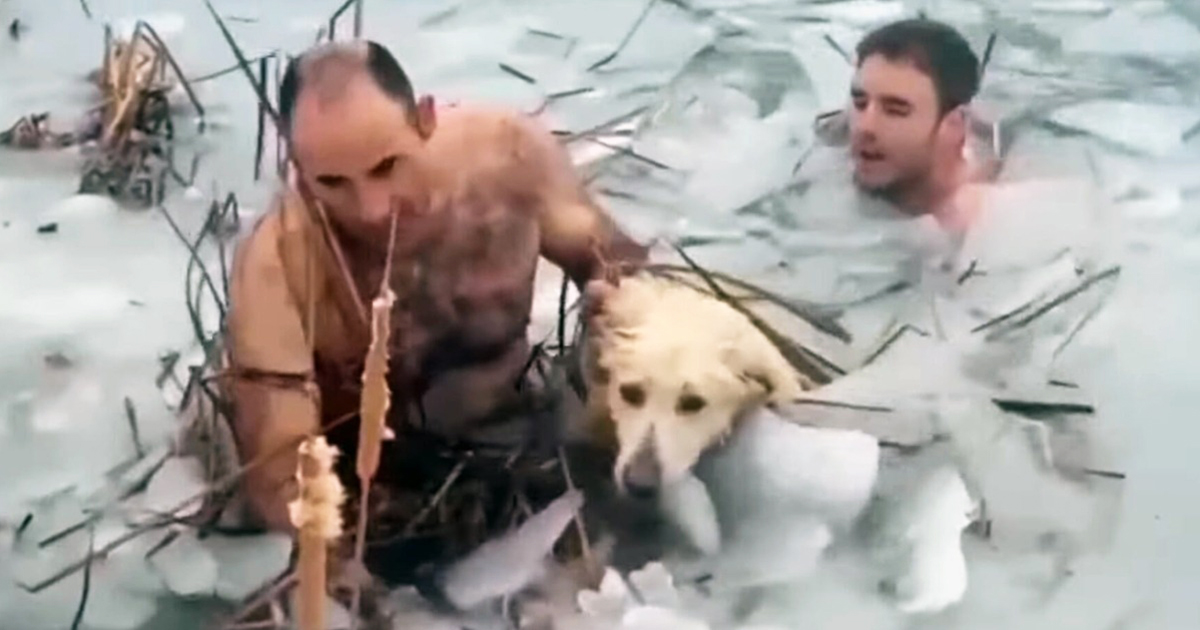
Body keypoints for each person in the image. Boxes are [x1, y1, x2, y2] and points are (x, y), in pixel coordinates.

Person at [223, 40, 648, 533]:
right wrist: (343, 564)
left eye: (386, 166)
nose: (371, 209)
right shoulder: (277, 264)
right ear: (298, 168)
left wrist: (614, 306)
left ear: (425, 119)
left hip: (513, 432)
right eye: (333, 183)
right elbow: (282, 475)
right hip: (375, 495)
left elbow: (622, 268)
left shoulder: (510, 159)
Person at [818, 18, 994, 230]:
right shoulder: (827, 164)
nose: (864, 127)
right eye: (860, 103)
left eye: (895, 111)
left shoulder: (987, 213)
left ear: (953, 126)